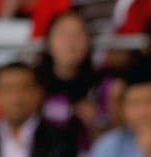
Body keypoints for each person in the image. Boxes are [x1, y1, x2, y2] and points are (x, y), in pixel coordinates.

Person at [37, 8, 103, 149]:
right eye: (63, 34)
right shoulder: (33, 85)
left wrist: (95, 123)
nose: (71, 41)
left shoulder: (103, 86)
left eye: (78, 34)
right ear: (48, 41)